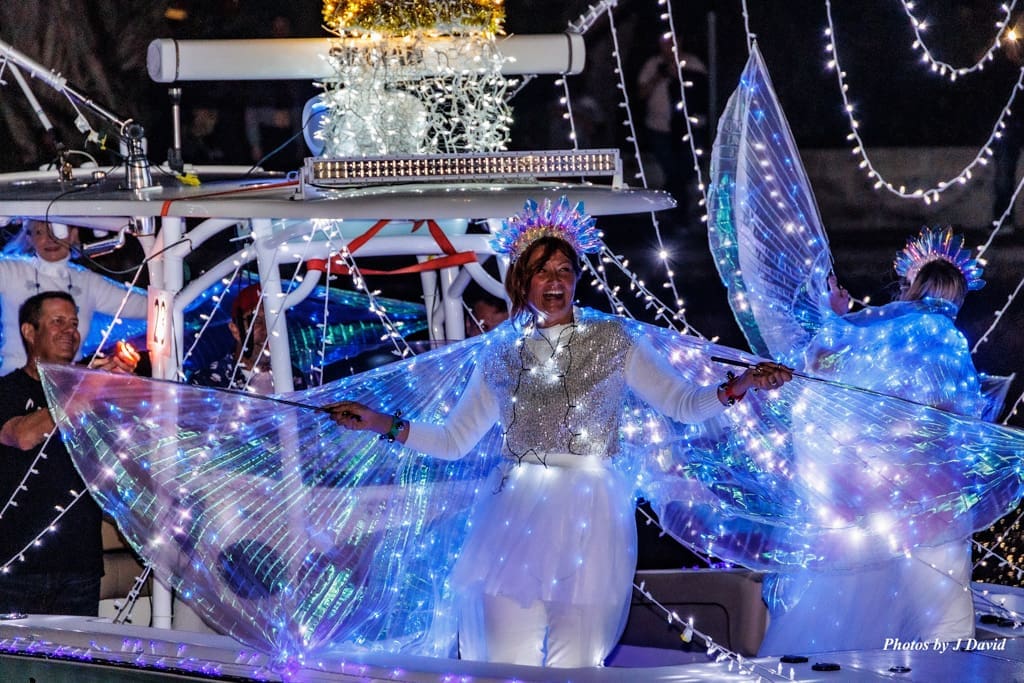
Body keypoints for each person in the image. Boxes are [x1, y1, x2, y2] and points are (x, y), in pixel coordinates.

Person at [326, 196, 793, 667]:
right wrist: (379, 422)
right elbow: (454, 440)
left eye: (564, 270)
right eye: (542, 271)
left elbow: (683, 405)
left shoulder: (611, 340)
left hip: (590, 520)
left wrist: (745, 383)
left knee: (577, 669)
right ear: (521, 281)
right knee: (505, 668)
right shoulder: (500, 353)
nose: (555, 281)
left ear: (576, 278)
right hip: (512, 520)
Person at [757, 226, 990, 655]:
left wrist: (836, 318)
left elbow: (822, 365)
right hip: (934, 504)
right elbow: (964, 417)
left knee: (854, 621)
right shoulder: (948, 339)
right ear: (957, 298)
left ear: (910, 285)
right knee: (946, 625)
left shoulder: (878, 331)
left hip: (868, 498)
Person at [0, 290, 137, 615]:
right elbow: (22, 436)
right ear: (29, 332)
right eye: (57, 321)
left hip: (80, 565)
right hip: (15, 567)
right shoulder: (7, 390)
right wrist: (85, 387)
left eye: (74, 323)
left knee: (75, 663)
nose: (70, 331)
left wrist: (121, 389)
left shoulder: (92, 391)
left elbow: (124, 454)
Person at [0, 219, 149, 375]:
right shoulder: (11, 271)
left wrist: (174, 301)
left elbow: (145, 306)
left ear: (73, 234)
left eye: (58, 232)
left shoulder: (87, 282)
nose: (50, 239)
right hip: (13, 384)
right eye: (40, 232)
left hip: (65, 387)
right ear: (30, 238)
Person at [636, 34, 707, 223]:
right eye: (664, 44)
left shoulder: (692, 63)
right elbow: (641, 93)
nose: (668, 48)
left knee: (686, 170)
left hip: (687, 129)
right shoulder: (653, 64)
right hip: (658, 127)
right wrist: (660, 75)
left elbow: (701, 91)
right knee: (671, 170)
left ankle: (678, 212)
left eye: (672, 43)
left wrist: (680, 75)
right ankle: (674, 212)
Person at [188, 283, 307, 392]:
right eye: (257, 321)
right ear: (235, 330)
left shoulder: (293, 377)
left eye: (276, 321)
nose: (268, 330)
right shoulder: (207, 382)